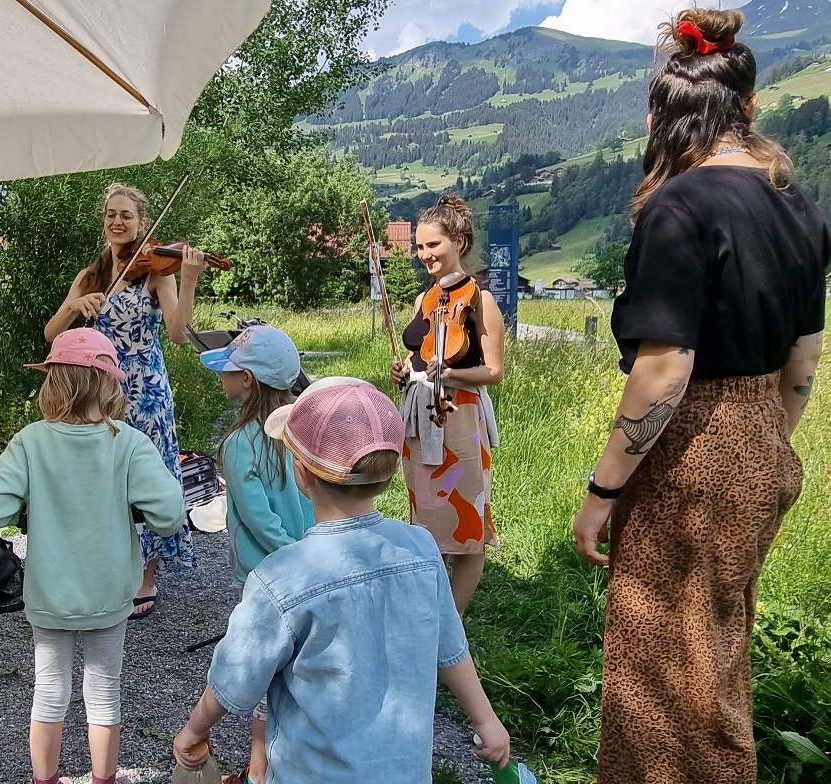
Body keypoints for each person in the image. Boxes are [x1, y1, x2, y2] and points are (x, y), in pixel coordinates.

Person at [570, 9, 829, 784]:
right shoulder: (797, 205)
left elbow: (664, 369)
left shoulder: (679, 206)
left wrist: (601, 492)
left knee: (657, 671)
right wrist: (766, 441)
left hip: (690, 452)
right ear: (748, 108)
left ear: (661, 119)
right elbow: (804, 358)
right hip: (763, 440)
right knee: (714, 655)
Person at [173, 378, 510, 783]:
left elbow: (235, 676)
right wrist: (485, 719)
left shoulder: (280, 577)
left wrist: (194, 730)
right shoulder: (421, 549)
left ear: (301, 473)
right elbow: (450, 645)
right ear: (388, 474)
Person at [0, 328, 186, 784]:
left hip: (49, 593)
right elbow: (170, 514)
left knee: (49, 690)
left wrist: (24, 504)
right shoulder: (128, 442)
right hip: (109, 592)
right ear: (110, 384)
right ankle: (103, 780)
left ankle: (45, 780)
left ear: (54, 382)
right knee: (104, 691)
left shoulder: (31, 441)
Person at [44, 183, 207, 620]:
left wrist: (189, 279)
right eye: (111, 214)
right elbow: (52, 335)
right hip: (97, 391)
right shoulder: (90, 275)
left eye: (126, 215)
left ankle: (146, 575)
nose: (117, 221)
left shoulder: (157, 272)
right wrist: (75, 305)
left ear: (141, 222)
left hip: (144, 389)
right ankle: (108, 563)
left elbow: (178, 334)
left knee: (147, 477)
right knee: (104, 479)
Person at [199, 325, 314, 784]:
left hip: (264, 578)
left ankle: (259, 772)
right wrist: (311, 554)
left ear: (247, 380)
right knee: (302, 669)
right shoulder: (304, 431)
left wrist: (290, 555)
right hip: (313, 568)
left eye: (228, 369)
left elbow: (258, 518)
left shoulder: (239, 443)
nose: (222, 376)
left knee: (265, 677)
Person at [390, 195, 505, 615]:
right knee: (428, 522)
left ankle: (451, 621)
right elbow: (419, 354)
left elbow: (494, 371)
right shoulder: (424, 300)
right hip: (420, 416)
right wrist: (405, 370)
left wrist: (451, 373)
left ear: (459, 241)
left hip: (461, 418)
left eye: (433, 245)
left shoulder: (480, 299)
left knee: (468, 524)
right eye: (419, 247)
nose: (425, 255)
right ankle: (432, 611)